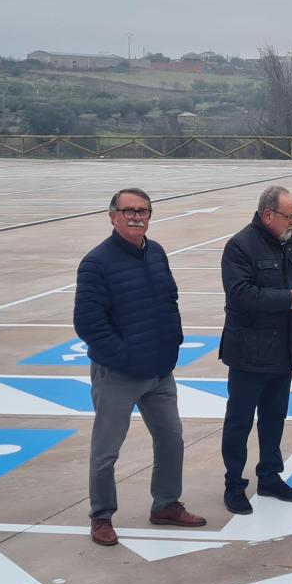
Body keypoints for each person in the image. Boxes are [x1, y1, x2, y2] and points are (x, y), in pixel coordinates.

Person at [75, 187, 206, 545]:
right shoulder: (96, 262)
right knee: (107, 450)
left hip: (160, 371)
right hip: (118, 374)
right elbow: (88, 323)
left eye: (144, 211)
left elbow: (170, 299)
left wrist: (173, 341)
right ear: (112, 215)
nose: (137, 216)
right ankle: (101, 516)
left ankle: (165, 504)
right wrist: (125, 356)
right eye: (129, 210)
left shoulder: (157, 252)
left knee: (171, 440)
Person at [217, 186, 292, 514]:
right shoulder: (240, 246)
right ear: (268, 215)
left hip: (285, 350)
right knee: (240, 420)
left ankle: (269, 475)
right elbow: (240, 294)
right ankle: (234, 483)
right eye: (289, 216)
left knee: (274, 417)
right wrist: (287, 298)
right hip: (249, 353)